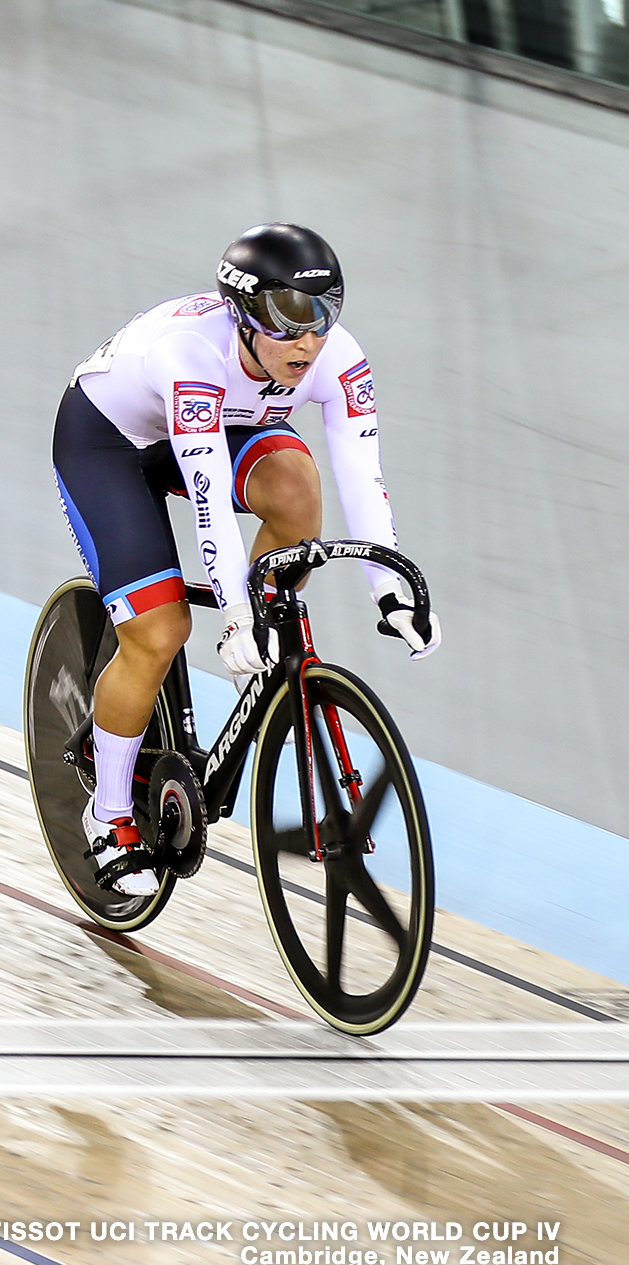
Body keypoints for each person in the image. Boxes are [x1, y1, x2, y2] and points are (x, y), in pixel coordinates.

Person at [52, 222, 441, 897]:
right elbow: (206, 495)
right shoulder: (191, 354)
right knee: (159, 632)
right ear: (244, 312)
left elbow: (362, 478)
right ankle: (109, 814)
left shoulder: (338, 358)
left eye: (323, 315)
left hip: (220, 423)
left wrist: (392, 588)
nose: (308, 340)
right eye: (289, 320)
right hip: (109, 444)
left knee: (298, 488)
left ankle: (255, 671)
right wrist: (236, 614)